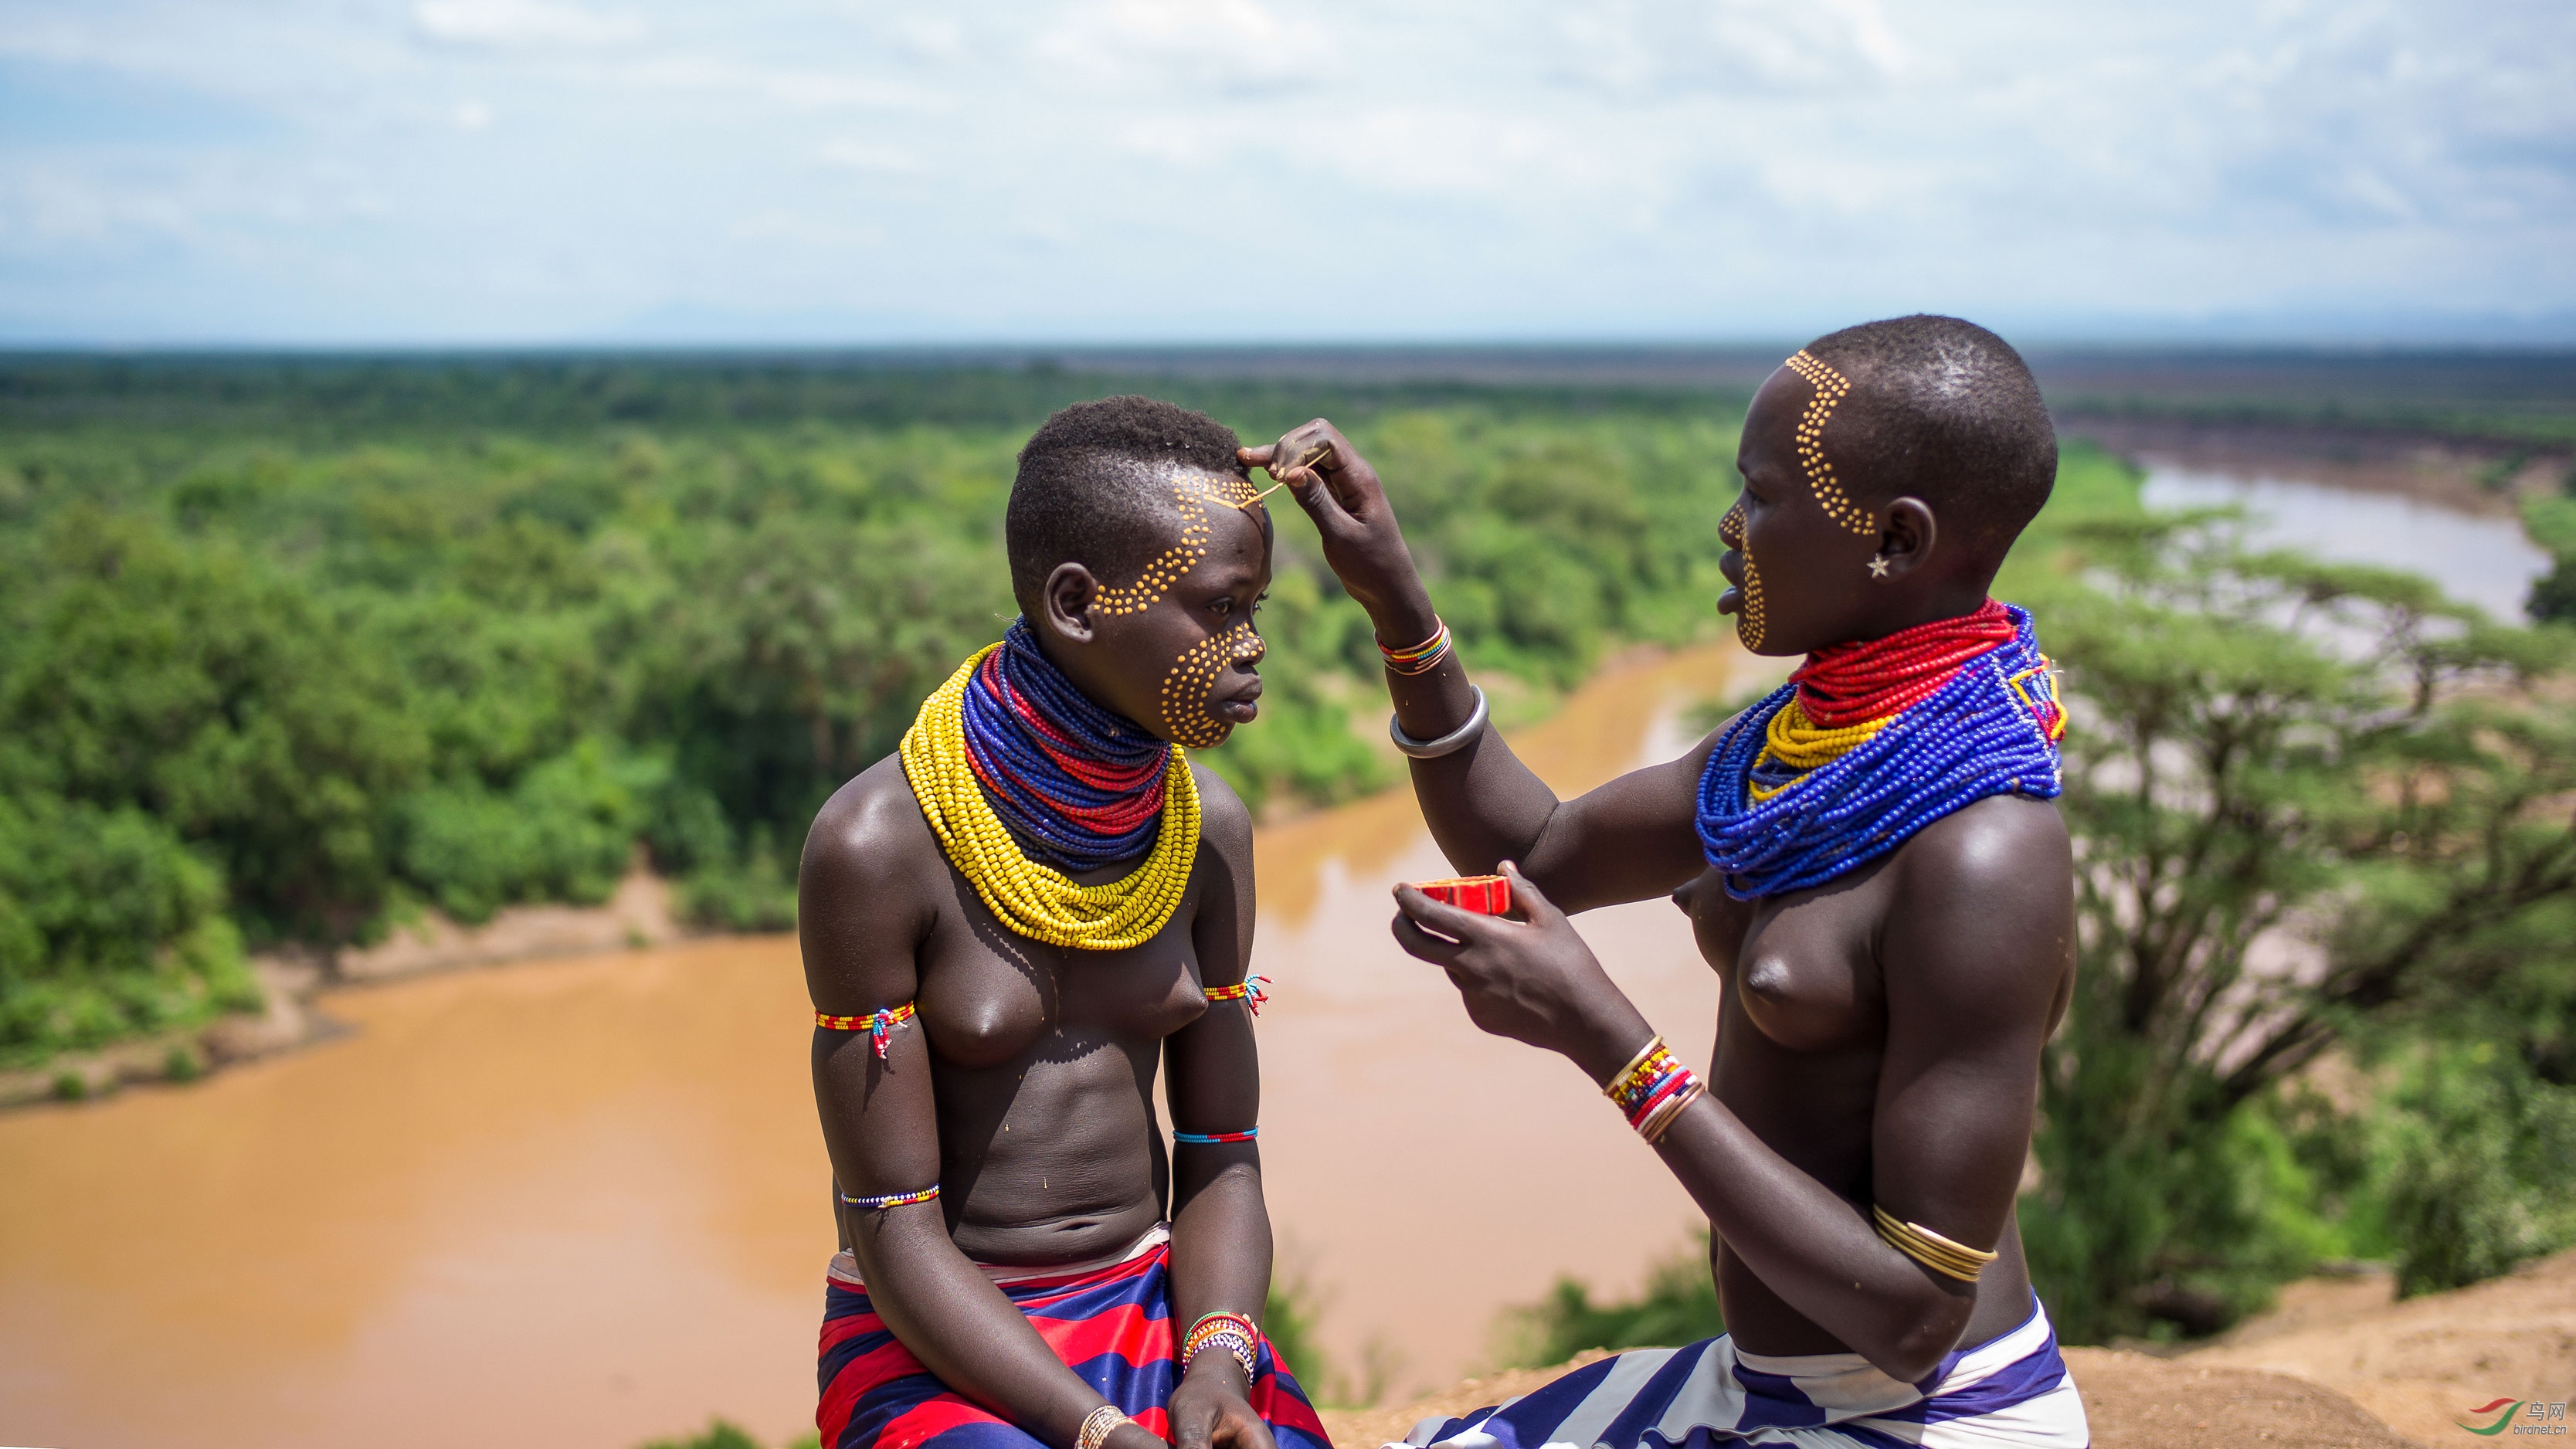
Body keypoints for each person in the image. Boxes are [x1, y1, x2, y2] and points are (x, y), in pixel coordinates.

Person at [1246, 317, 2091, 1448]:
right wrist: (1396, 600)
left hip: (1927, 1416)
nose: (1731, 528)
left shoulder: (1985, 853)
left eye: (1765, 495)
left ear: (1893, 542)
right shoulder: (1807, 740)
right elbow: (1540, 853)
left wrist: (1607, 1037)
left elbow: (1914, 1316)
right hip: (1764, 1388)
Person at [799, 397, 1329, 1449]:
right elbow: (891, 1224)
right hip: (939, 1338)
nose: (1253, 647)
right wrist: (1095, 1430)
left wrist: (1218, 1366)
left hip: (1157, 1310)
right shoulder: (878, 848)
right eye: (1221, 610)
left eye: (1255, 608)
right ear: (1081, 605)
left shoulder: (1205, 833)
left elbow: (1222, 1149)